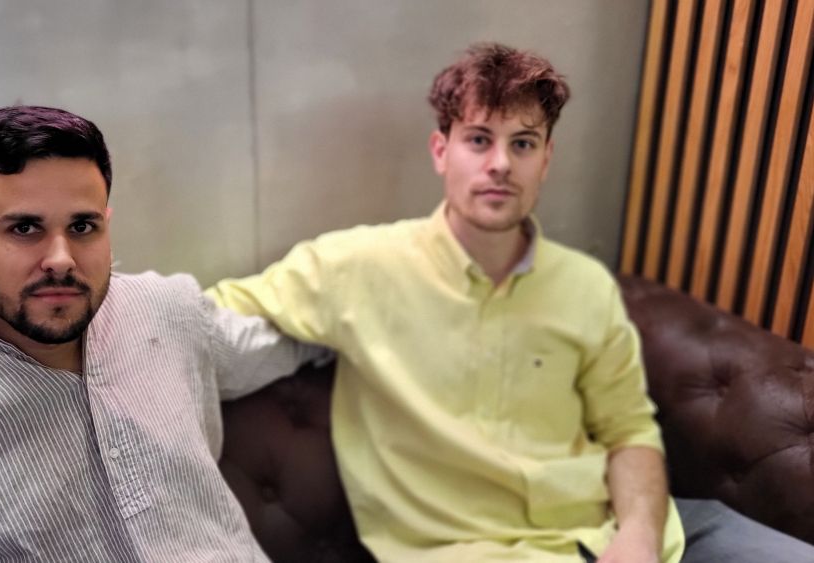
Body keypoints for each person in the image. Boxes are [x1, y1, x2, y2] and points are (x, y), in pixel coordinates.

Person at [207, 43, 814, 562]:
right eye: (479, 139)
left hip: (643, 532)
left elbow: (629, 430)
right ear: (441, 150)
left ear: (546, 159)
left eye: (523, 143)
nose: (500, 164)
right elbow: (190, 320)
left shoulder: (585, 286)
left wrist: (637, 535)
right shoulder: (353, 269)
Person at [0, 105, 324, 562]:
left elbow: (299, 338)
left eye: (82, 227)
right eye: (24, 228)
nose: (60, 259)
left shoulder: (169, 310)